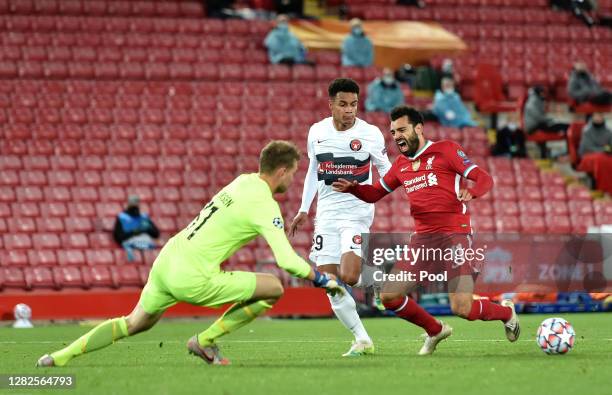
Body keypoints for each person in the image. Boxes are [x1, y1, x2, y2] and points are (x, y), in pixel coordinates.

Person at [37, 141, 345, 367]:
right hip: (192, 274)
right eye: (293, 174)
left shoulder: (241, 181)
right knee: (273, 288)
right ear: (281, 171)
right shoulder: (265, 204)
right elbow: (287, 261)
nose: (293, 180)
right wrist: (321, 279)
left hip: (168, 259)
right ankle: (205, 341)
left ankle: (58, 358)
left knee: (134, 323)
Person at [332, 106, 520, 355]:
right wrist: (354, 188)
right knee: (390, 296)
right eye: (393, 132)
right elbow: (375, 193)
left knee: (462, 308)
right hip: (423, 241)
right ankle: (435, 330)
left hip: (455, 236)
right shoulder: (400, 165)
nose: (396, 135)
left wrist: (472, 192)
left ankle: (506, 312)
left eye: (402, 129)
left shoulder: (446, 150)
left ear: (418, 128)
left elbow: (483, 177)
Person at [288, 78, 392, 356]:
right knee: (330, 283)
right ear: (331, 104)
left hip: (356, 213)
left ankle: (377, 280)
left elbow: (388, 171)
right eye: (343, 104)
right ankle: (362, 338)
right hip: (327, 214)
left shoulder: (370, 134)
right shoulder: (317, 131)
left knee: (349, 274)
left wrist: (369, 191)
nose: (349, 110)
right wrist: (303, 208)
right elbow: (313, 169)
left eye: (354, 104)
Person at [113, 195, 160, 262]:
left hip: (146, 243)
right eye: (133, 202)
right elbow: (119, 237)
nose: (135, 205)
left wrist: (147, 229)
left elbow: (156, 234)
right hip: (130, 242)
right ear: (129, 204)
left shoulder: (144, 217)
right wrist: (135, 231)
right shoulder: (122, 217)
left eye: (136, 202)